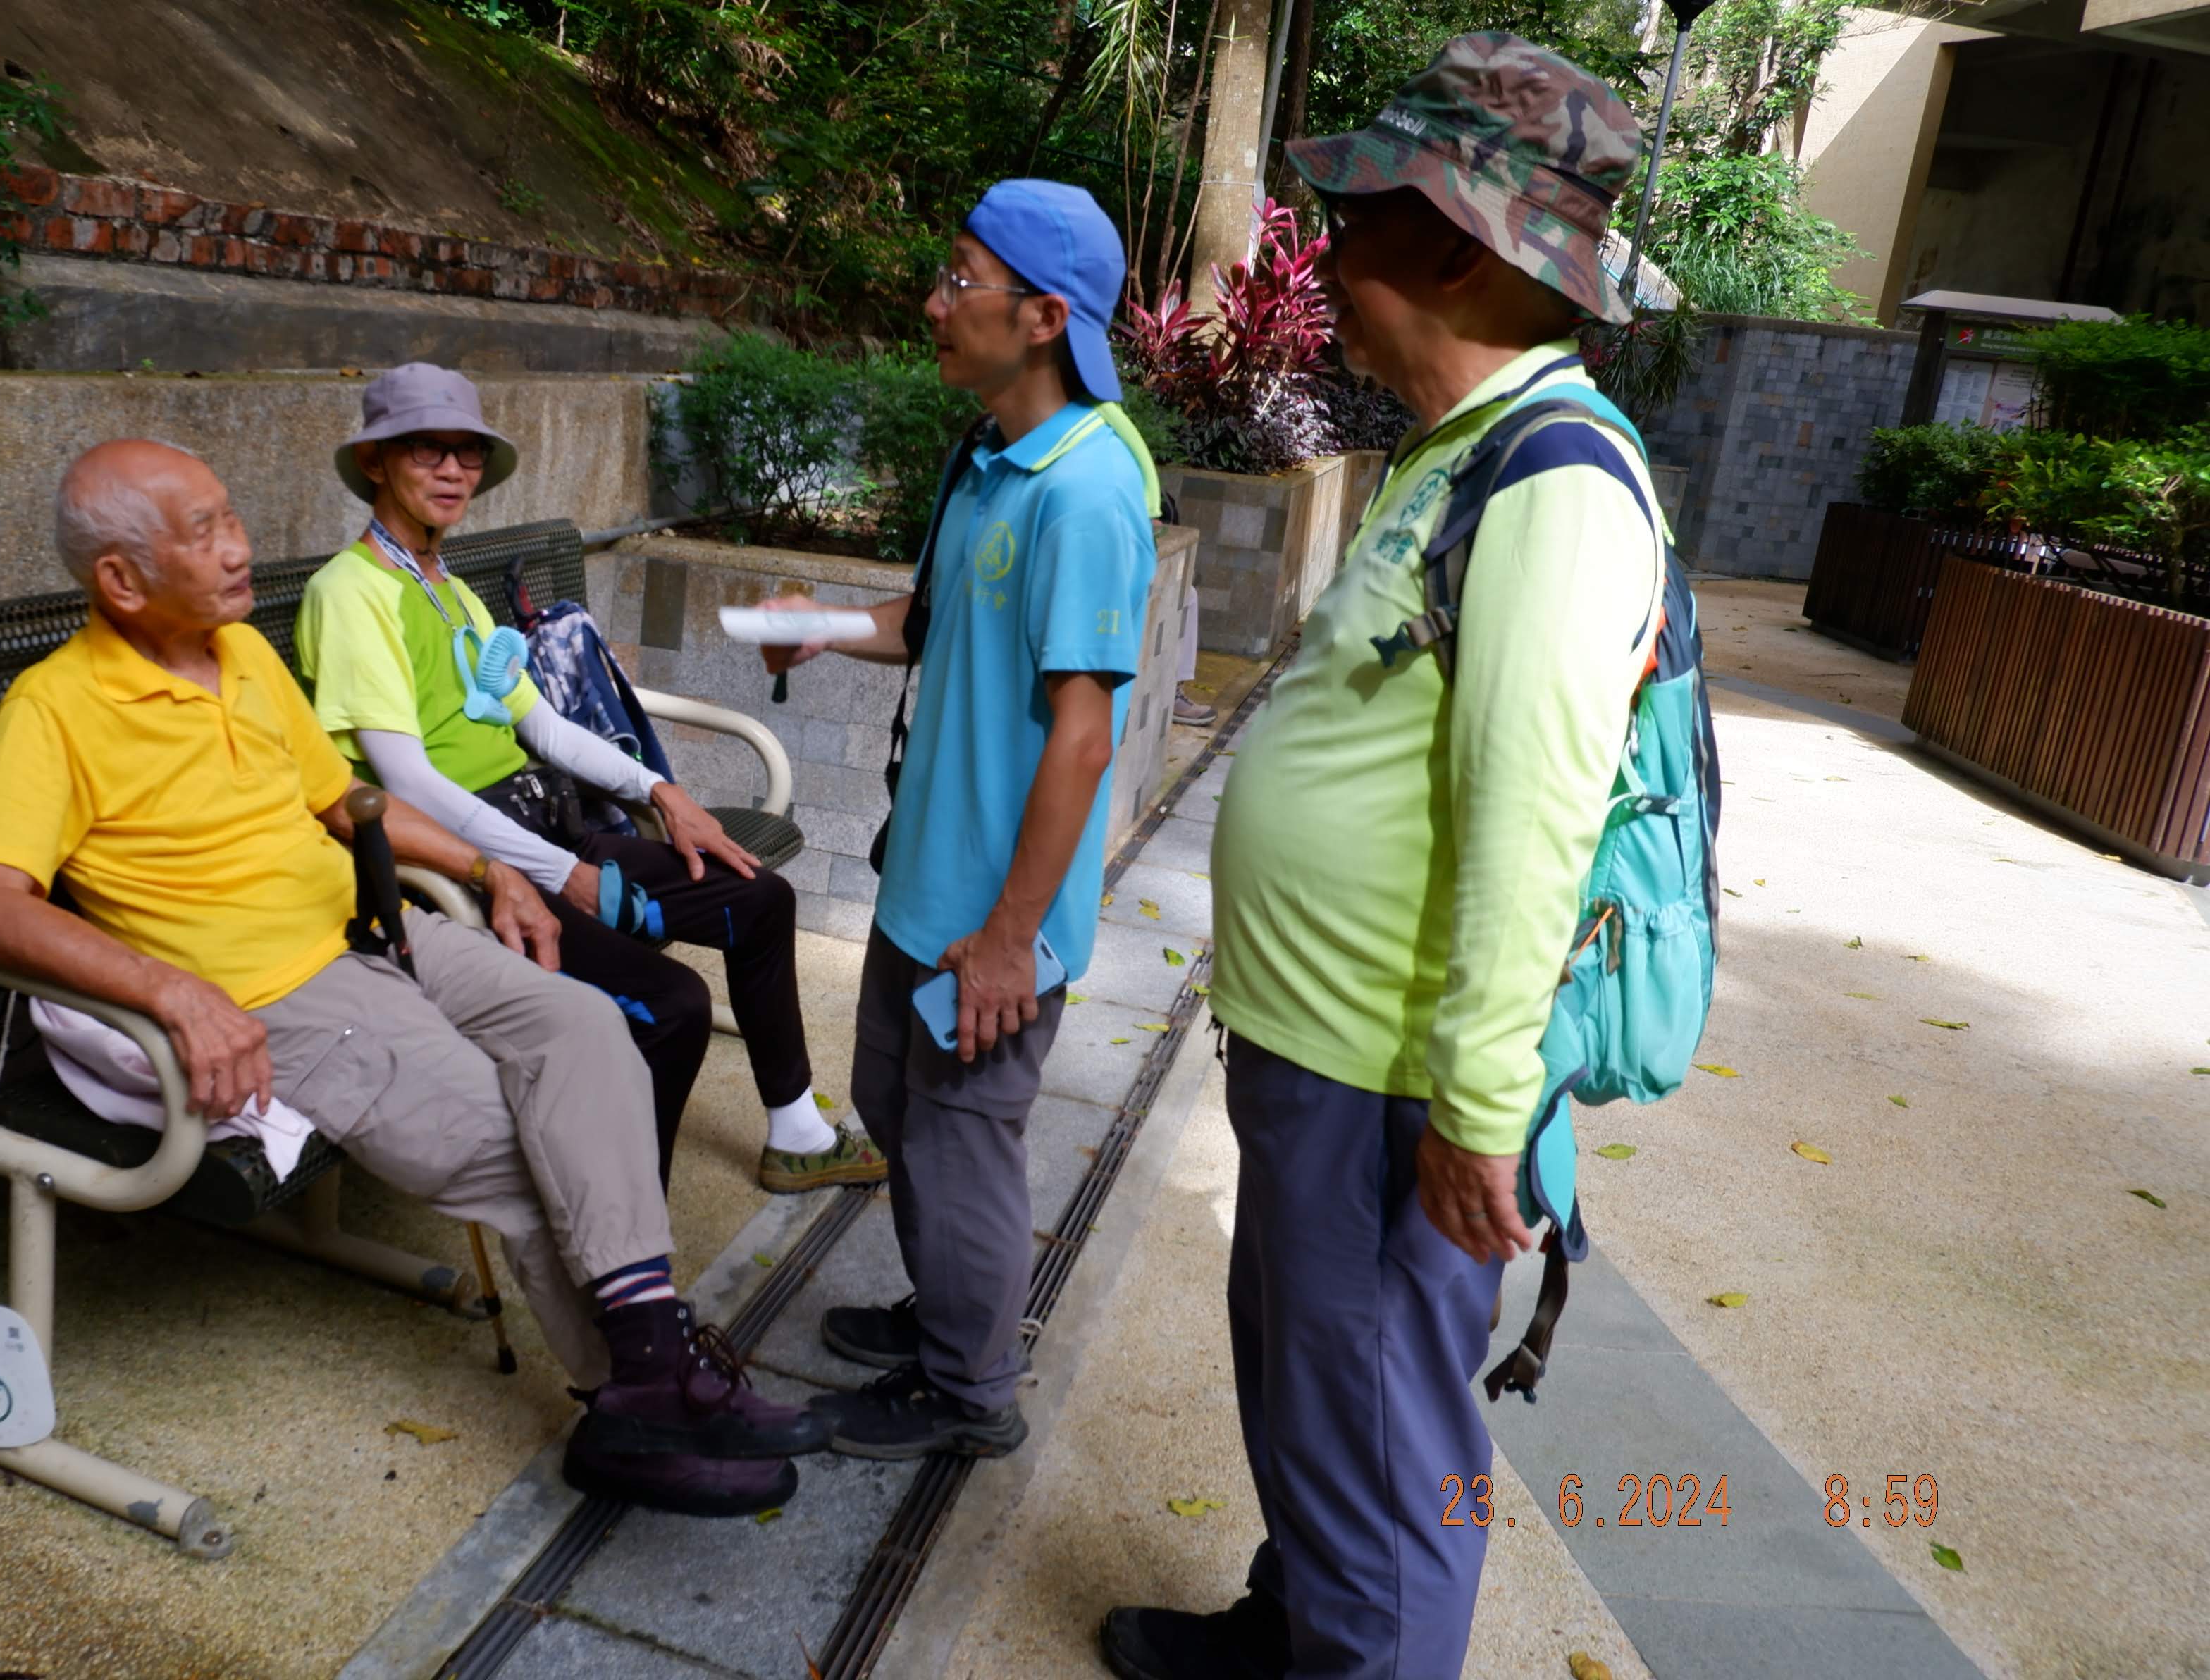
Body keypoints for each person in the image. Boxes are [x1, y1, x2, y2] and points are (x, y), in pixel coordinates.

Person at [0, 438, 830, 1517]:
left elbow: (346, 804)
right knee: (515, 1136)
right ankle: (637, 1395)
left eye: (232, 517)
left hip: (383, 927)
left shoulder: (244, 654)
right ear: (121, 580)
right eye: (205, 531)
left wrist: (491, 871)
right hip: (278, 995)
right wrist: (173, 994)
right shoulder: (55, 708)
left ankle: (649, 1378)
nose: (239, 548)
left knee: (589, 1029)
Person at [1099, 36, 1669, 1680]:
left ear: (1456, 249)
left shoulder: (1554, 481)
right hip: (1324, 1054)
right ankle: (1289, 1631)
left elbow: (1530, 812)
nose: (1326, 248)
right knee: (1314, 1396)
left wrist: (1477, 1106)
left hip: (1391, 1082)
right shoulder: (1462, 450)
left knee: (1381, 1452)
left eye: (1355, 215)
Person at [758, 180, 1159, 1459]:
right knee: (893, 1099)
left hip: (995, 914)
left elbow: (1084, 736)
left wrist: (1009, 939)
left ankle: (970, 1390)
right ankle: (950, 1314)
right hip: (926, 883)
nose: (934, 303)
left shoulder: (1085, 491)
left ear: (1043, 318)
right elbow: (927, 623)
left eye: (959, 280)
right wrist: (815, 625)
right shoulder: (986, 456)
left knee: (962, 1139)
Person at [293, 363, 885, 1195]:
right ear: (375, 462)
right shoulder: (351, 592)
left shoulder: (451, 590)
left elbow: (541, 726)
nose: (453, 470)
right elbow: (409, 784)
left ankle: (796, 1134)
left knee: (759, 899)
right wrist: (556, 873)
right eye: (427, 450)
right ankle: (620, 1239)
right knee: (673, 1006)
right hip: (455, 877)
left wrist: (662, 792)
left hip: (547, 830)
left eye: (467, 452)